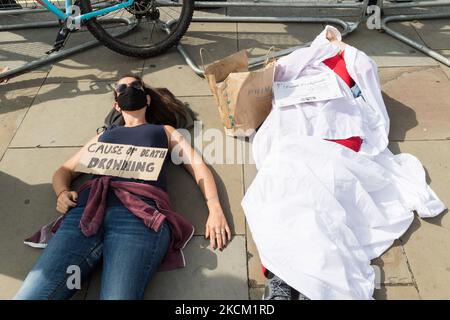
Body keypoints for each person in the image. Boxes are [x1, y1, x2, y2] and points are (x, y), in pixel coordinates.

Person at [243, 26, 446, 300]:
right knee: (286, 194)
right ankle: (291, 278)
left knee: (307, 200)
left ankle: (294, 281)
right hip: (295, 136)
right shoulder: (301, 59)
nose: (330, 42)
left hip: (336, 140)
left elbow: (369, 93)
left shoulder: (352, 62)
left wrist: (345, 61)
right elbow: (273, 76)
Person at [15, 74, 232, 300]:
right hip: (85, 214)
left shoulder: (164, 131)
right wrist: (61, 192)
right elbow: (64, 170)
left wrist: (214, 207)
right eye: (122, 87)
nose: (129, 88)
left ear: (147, 100)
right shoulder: (104, 135)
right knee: (32, 294)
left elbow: (196, 165)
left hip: (138, 217)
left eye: (136, 86)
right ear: (116, 104)